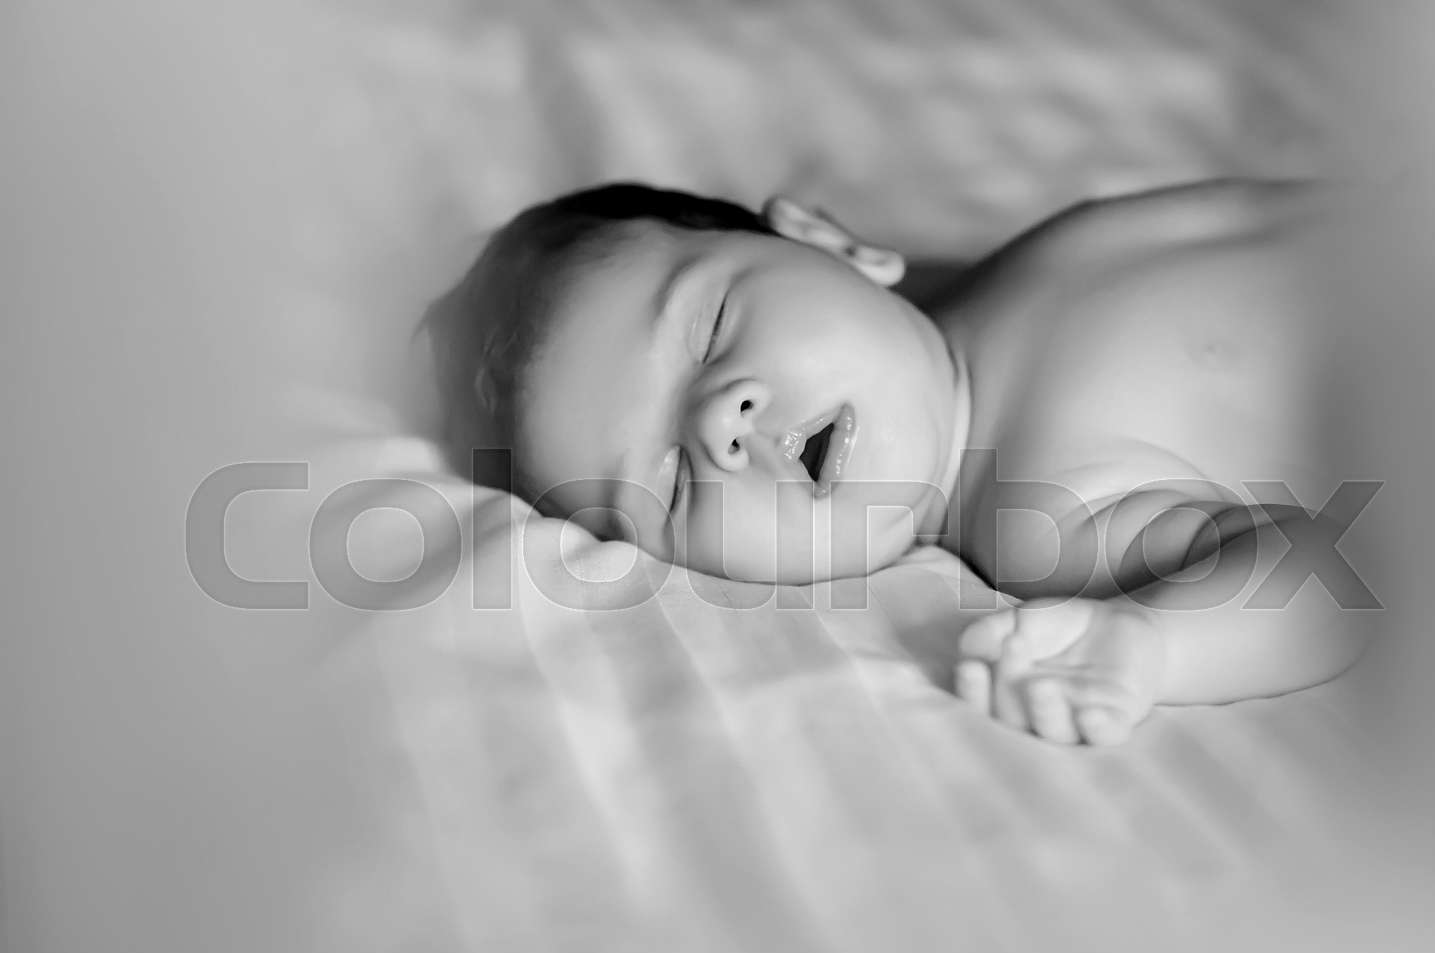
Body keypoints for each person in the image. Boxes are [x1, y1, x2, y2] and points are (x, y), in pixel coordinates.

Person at [425, 180, 1375, 745]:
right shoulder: (1037, 515)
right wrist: (1153, 646)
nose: (723, 422)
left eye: (712, 329)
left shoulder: (1045, 250)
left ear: (827, 240)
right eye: (670, 483)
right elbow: (1337, 573)